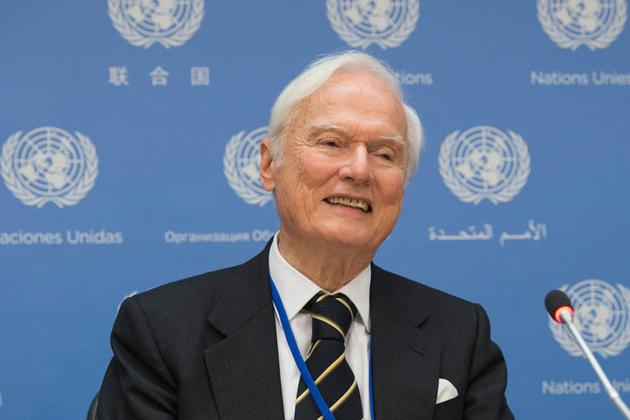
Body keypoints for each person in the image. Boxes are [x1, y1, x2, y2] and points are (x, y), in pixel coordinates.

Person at [97, 51, 513, 419]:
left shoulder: (459, 334)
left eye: (385, 154)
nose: (359, 170)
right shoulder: (163, 331)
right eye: (331, 143)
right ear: (269, 165)